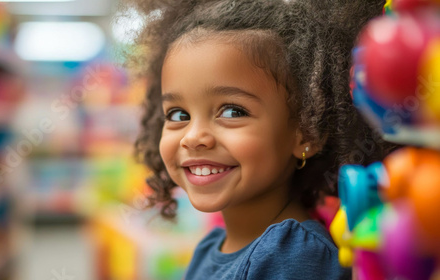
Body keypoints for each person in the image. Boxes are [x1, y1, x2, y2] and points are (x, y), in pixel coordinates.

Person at [126, 0, 395, 279]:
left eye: (232, 111)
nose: (193, 138)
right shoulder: (211, 246)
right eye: (179, 115)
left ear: (307, 134)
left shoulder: (294, 255)